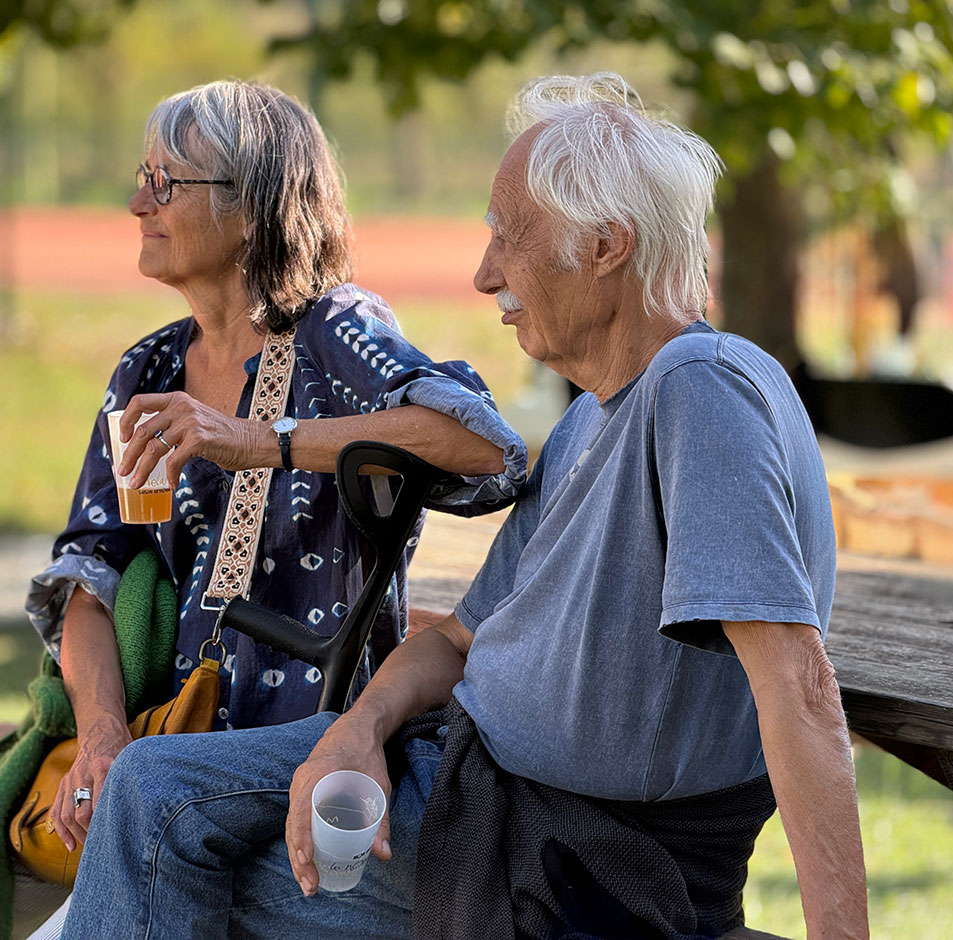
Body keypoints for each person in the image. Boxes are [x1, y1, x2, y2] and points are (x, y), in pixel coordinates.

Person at [62, 72, 870, 940]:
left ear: (605, 245)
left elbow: (797, 681)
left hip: (561, 842)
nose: (485, 275)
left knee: (156, 842)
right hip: (459, 774)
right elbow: (455, 637)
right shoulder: (596, 415)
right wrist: (356, 731)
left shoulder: (698, 390)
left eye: (508, 238)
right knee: (148, 792)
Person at [0, 80, 525, 940]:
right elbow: (87, 580)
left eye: (167, 183)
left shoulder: (334, 333)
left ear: (253, 209)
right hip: (157, 750)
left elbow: (485, 451)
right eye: (143, 176)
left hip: (283, 759)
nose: (137, 202)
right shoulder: (147, 370)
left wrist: (261, 439)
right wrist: (101, 735)